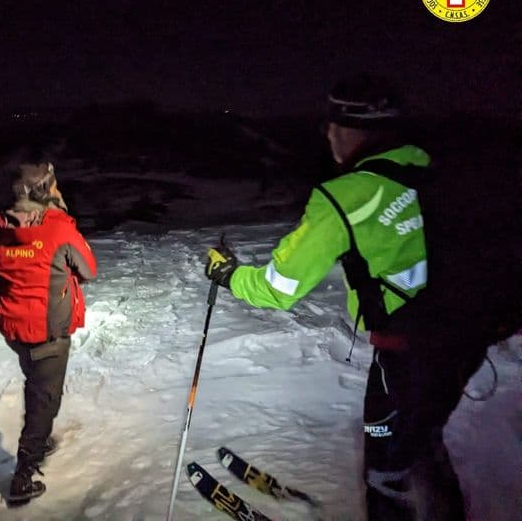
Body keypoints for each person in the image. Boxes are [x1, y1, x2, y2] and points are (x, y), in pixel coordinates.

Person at [205, 73, 493, 520]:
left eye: (330, 126)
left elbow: (278, 288)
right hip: (464, 341)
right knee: (422, 433)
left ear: (345, 130)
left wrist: (228, 275)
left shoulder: (344, 197)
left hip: (406, 354)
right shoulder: (428, 167)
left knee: (387, 466)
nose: (326, 136)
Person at [0, 162, 96, 504]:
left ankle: (38, 440)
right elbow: (89, 268)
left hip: (13, 327)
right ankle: (25, 472)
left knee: (36, 382)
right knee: (44, 398)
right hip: (49, 331)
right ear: (47, 190)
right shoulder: (59, 228)